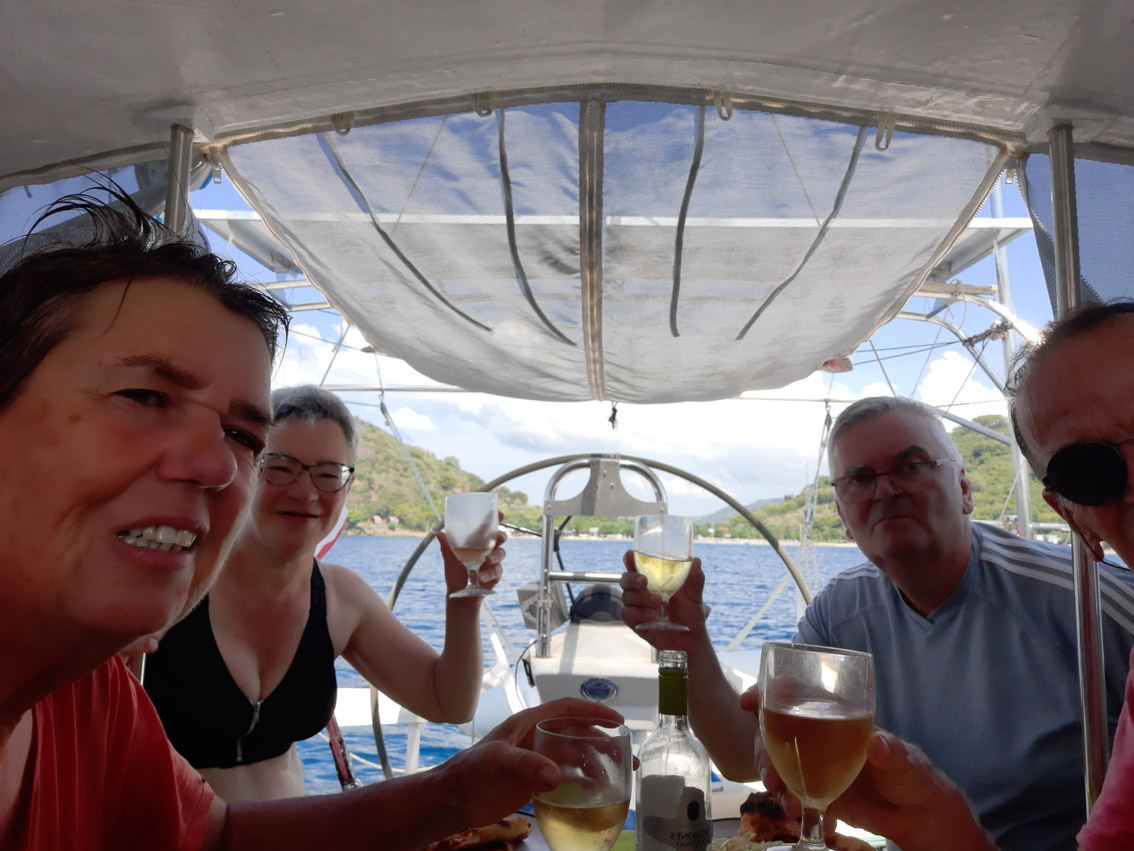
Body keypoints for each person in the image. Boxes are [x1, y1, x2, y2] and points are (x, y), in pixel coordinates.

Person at [0, 186, 621, 849]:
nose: (214, 464)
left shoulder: (86, 697)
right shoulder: (107, 654)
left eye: (241, 436)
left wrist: (449, 793)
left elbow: (216, 835)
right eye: (144, 396)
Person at [620, 395, 1134, 851]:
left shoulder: (1091, 605)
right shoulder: (839, 613)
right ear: (843, 516)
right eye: (860, 479)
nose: (885, 490)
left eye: (911, 466)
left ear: (964, 488)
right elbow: (743, 758)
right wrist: (690, 641)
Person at [143, 384, 504, 802]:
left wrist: (464, 598)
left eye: (328, 474)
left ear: (347, 487)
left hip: (295, 830)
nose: (305, 493)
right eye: (281, 467)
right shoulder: (174, 577)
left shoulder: (341, 598)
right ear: (246, 466)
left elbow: (448, 703)